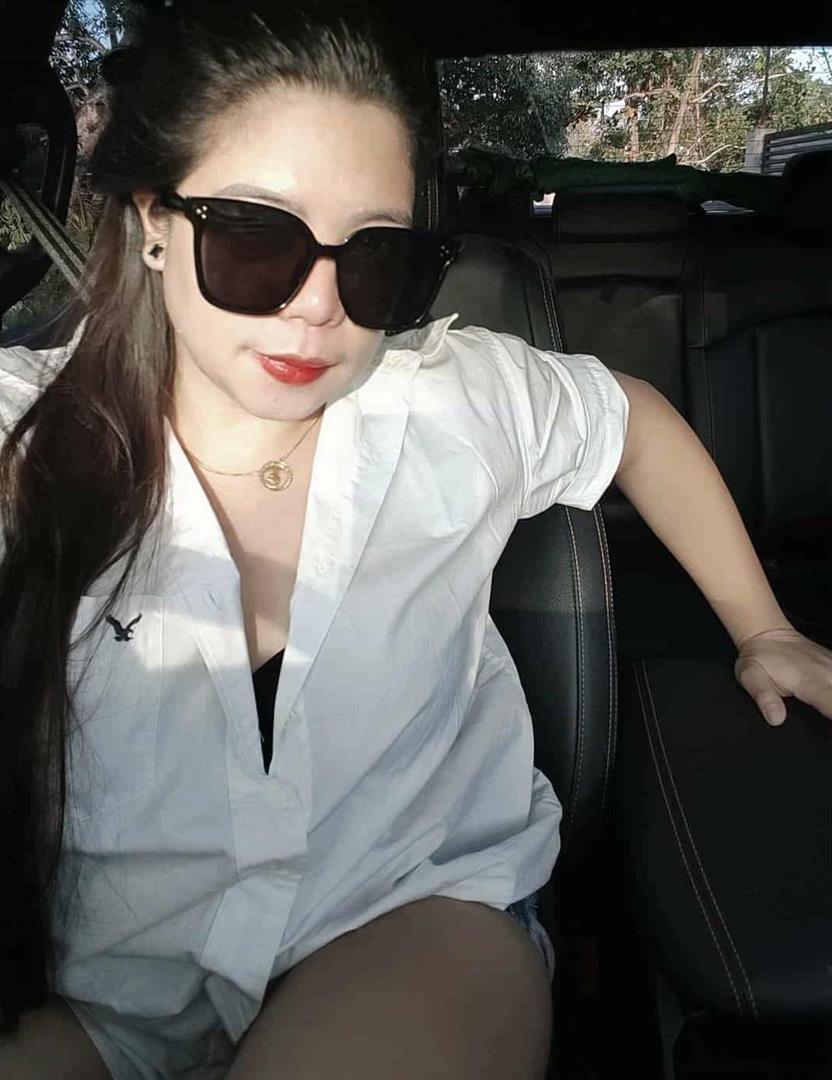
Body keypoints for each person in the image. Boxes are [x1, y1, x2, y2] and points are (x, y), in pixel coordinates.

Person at [1, 3, 830, 1078]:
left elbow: (630, 421)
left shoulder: (452, 401)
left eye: (375, 258)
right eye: (256, 237)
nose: (317, 306)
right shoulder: (24, 434)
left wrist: (762, 626)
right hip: (101, 980)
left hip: (405, 913)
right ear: (156, 220)